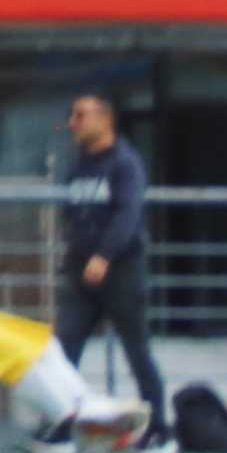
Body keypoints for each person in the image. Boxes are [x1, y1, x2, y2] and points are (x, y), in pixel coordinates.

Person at [58, 94, 168, 423]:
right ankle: (61, 424)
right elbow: (71, 210)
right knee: (64, 350)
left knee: (137, 352)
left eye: (80, 115)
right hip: (80, 270)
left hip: (120, 270)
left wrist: (104, 255)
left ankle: (158, 426)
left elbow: (128, 213)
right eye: (71, 115)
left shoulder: (124, 162)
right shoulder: (77, 163)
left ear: (105, 120)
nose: (72, 124)